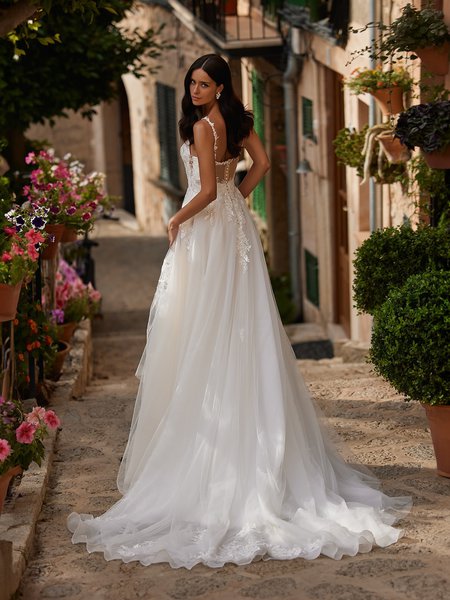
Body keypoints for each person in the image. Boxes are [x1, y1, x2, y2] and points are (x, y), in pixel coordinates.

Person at [68, 54, 411, 568]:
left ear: (220, 86)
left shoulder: (205, 127)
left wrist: (176, 220)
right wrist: (238, 198)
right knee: (239, 322)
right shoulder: (238, 120)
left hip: (207, 232)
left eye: (204, 83)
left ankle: (216, 439)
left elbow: (205, 190)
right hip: (234, 229)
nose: (195, 89)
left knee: (205, 323)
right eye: (191, 82)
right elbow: (259, 168)